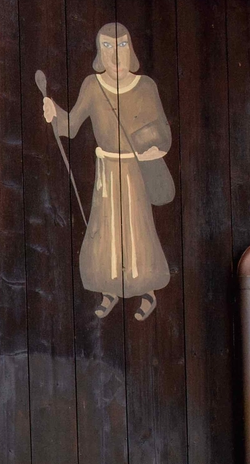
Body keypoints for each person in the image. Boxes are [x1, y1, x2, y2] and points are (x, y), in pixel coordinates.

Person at [42, 23, 174, 321]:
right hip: (106, 170)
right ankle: (109, 290)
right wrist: (54, 113)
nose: (116, 55)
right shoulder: (92, 85)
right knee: (105, 231)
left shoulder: (146, 86)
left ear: (131, 51)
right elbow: (71, 126)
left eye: (123, 46)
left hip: (135, 169)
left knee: (137, 229)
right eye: (108, 47)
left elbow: (163, 132)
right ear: (100, 52)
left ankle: (148, 291)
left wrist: (156, 148)